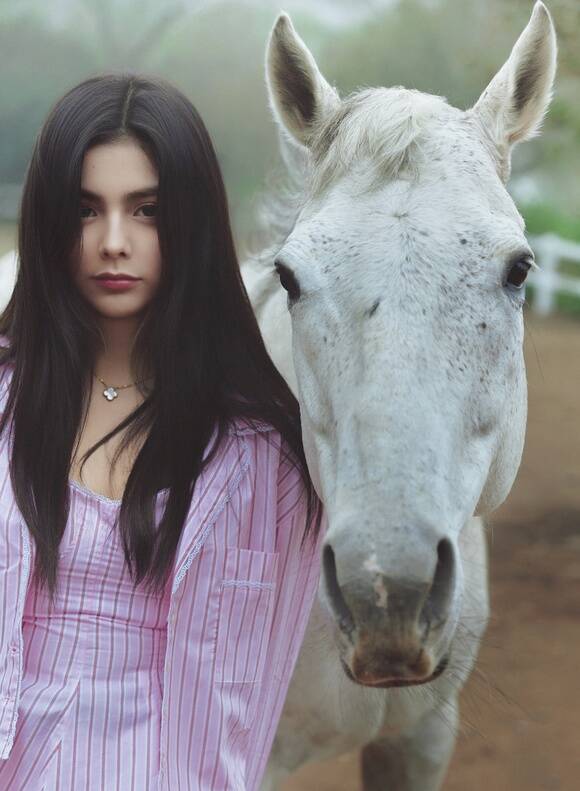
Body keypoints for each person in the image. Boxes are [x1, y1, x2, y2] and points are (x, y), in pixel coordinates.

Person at [0, 73, 325, 790]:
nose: (113, 242)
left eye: (145, 210)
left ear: (192, 223)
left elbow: (261, 680)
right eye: (87, 210)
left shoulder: (262, 453)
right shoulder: (7, 403)